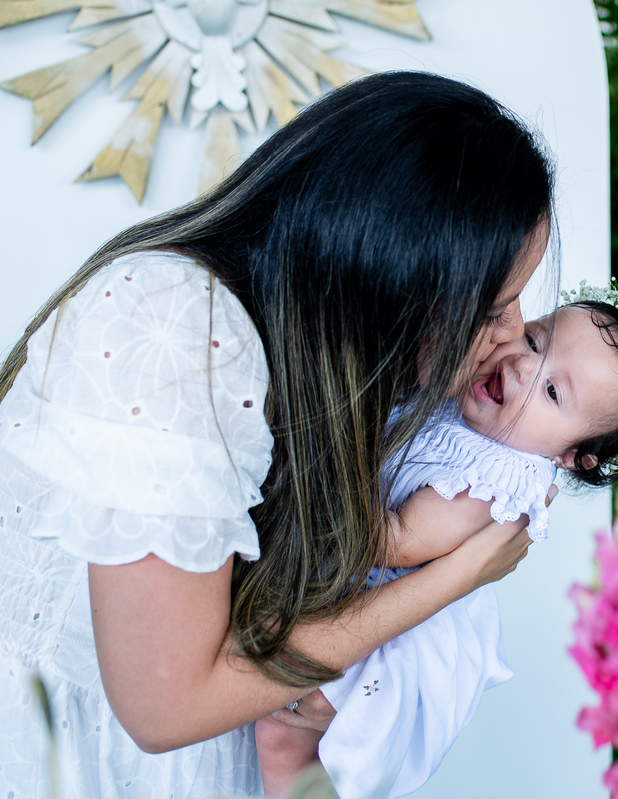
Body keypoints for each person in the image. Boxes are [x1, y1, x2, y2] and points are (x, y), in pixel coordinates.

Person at [0, 71, 556, 798]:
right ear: (392, 276)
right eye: (496, 305)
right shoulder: (178, 329)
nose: (512, 335)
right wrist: (457, 575)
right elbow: (165, 707)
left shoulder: (308, 372)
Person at [254, 282, 618, 797]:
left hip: (389, 628)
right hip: (351, 585)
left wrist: (320, 464)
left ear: (571, 456)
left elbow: (396, 542)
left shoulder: (499, 479)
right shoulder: (461, 405)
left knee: (286, 734)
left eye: (552, 390)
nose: (525, 366)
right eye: (535, 340)